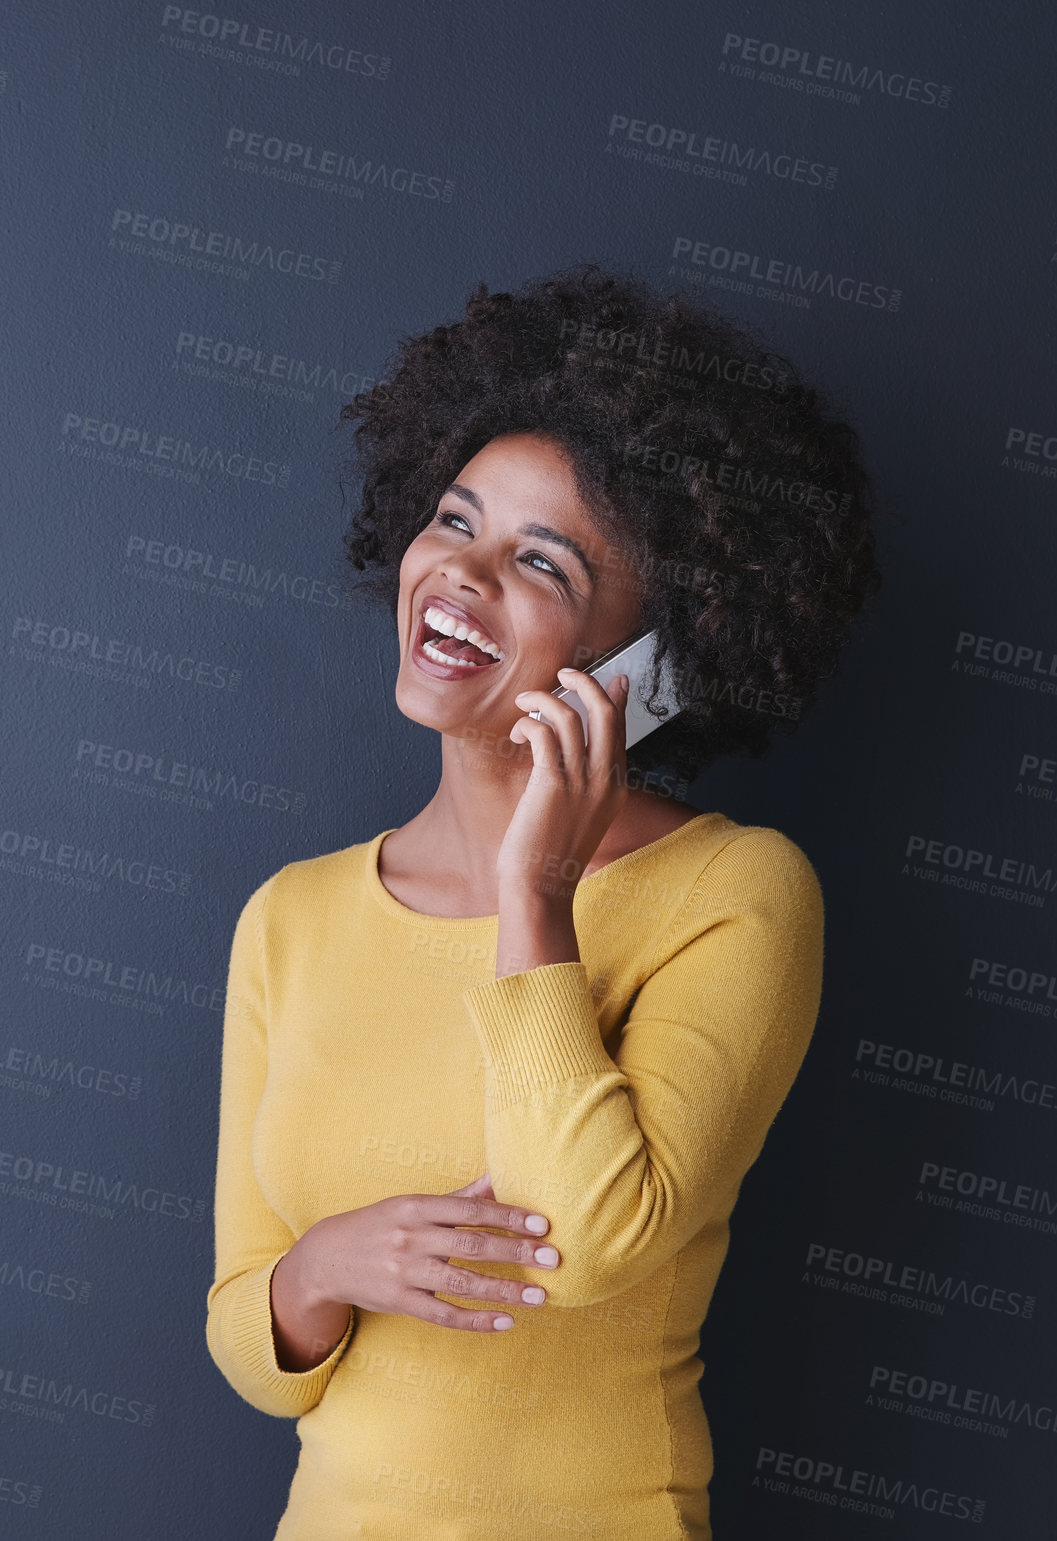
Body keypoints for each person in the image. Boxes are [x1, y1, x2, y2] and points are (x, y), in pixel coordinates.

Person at [204, 263, 881, 1539]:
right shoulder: (289, 918)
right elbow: (252, 1349)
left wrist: (538, 891)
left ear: (647, 664)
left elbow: (591, 1240)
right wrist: (325, 1265)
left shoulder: (737, 893)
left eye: (540, 563)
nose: (460, 575)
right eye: (453, 522)